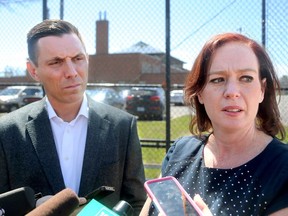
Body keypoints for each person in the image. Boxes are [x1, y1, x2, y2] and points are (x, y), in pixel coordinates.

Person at [0, 19, 146, 214]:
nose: (71, 72)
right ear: (33, 70)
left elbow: (137, 203)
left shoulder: (122, 126)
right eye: (56, 62)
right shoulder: (7, 132)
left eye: (78, 58)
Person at [140, 32, 288, 216]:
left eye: (246, 78)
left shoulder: (283, 169)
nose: (232, 92)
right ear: (200, 93)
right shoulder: (180, 151)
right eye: (218, 79)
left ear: (262, 90)